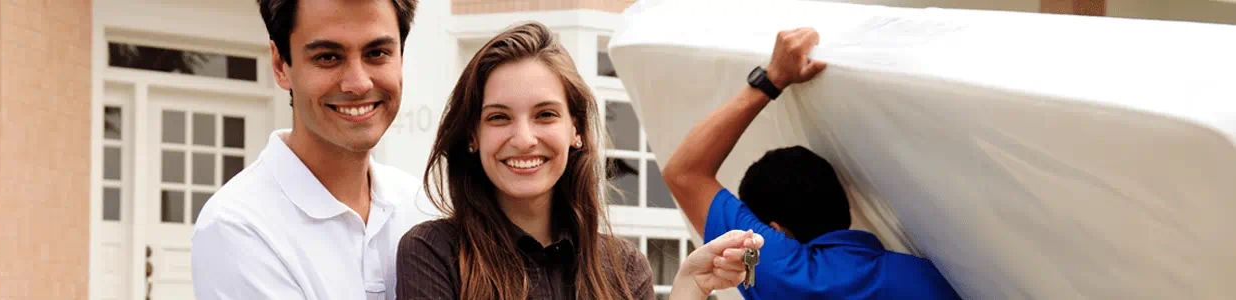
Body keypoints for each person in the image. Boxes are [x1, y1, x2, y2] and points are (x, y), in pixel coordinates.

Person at [395, 22, 763, 300]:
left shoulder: (624, 267)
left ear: (577, 130)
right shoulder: (434, 252)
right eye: (499, 117)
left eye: (545, 115)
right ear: (472, 136)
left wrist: (689, 287)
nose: (524, 139)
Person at [661, 28, 962, 299]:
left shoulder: (785, 273)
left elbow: (685, 173)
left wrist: (773, 77)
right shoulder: (930, 278)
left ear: (776, 231)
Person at [191, 0, 428, 299]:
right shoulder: (237, 227)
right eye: (328, 57)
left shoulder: (422, 207)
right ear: (280, 66)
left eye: (377, 53)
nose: (358, 83)